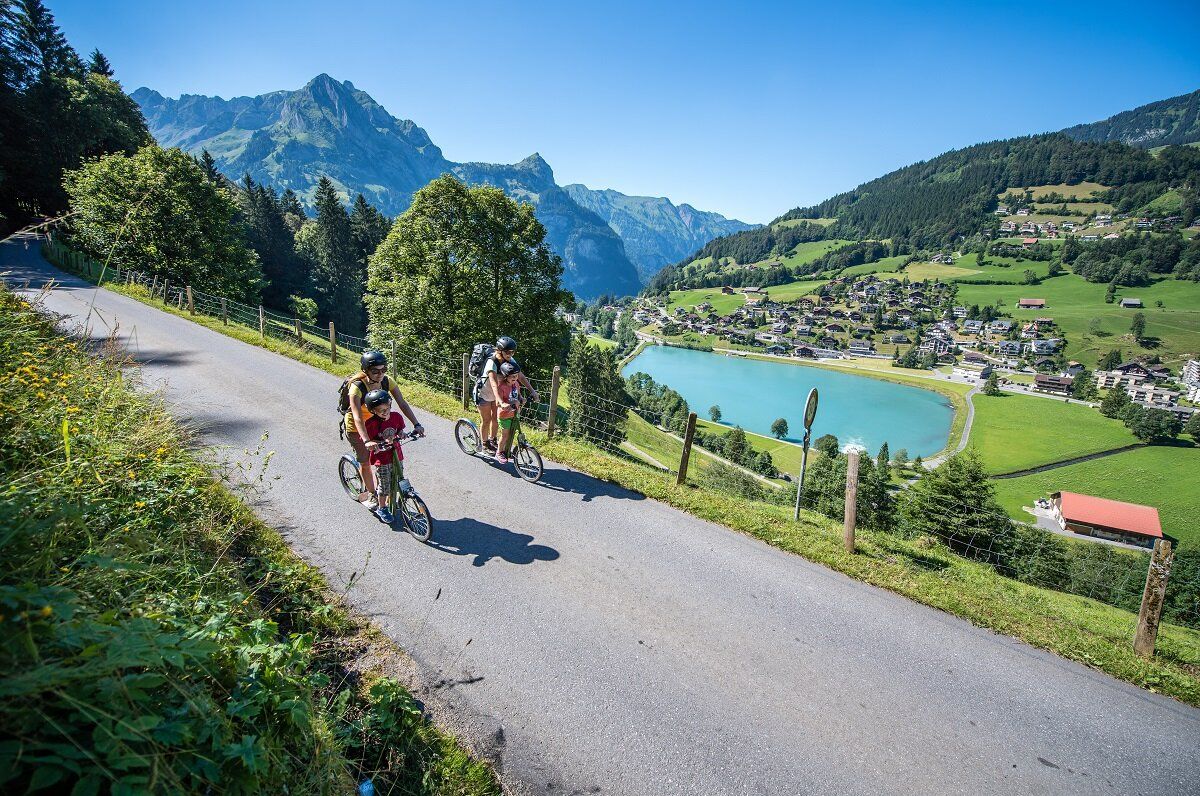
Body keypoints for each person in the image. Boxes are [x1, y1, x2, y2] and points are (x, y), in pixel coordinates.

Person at [345, 350, 423, 508]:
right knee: (366, 461)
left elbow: (402, 403)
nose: (380, 374)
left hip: (380, 424)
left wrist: (416, 424)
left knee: (388, 459)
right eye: (375, 371)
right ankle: (372, 494)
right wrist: (366, 440)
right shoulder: (356, 388)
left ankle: (388, 490)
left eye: (383, 370)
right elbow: (357, 416)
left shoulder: (387, 381)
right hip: (359, 427)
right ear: (365, 370)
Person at [477, 336, 538, 452]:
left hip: (498, 393)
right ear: (499, 350)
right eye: (508, 352)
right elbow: (494, 384)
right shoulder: (492, 362)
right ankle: (484, 444)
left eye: (513, 351)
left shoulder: (510, 359)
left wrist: (532, 391)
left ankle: (492, 440)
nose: (510, 354)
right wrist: (500, 401)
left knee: (496, 418)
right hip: (485, 392)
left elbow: (519, 375)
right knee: (486, 420)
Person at [361, 389, 412, 523]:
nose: (385, 411)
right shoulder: (371, 423)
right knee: (384, 485)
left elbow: (399, 429)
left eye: (387, 407)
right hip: (382, 459)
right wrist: (375, 442)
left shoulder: (396, 416)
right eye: (380, 410)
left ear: (390, 404)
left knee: (399, 479)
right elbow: (369, 440)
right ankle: (382, 507)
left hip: (397, 455)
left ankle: (396, 499)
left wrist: (402, 434)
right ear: (373, 411)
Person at [495, 361, 524, 464]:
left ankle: (506, 450)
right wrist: (508, 403)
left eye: (516, 376)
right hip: (504, 415)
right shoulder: (501, 387)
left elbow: (518, 395)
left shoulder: (516, 384)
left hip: (514, 414)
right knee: (505, 435)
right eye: (512, 376)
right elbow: (499, 403)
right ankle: (499, 452)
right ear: (505, 376)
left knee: (511, 434)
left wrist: (521, 399)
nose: (515, 378)